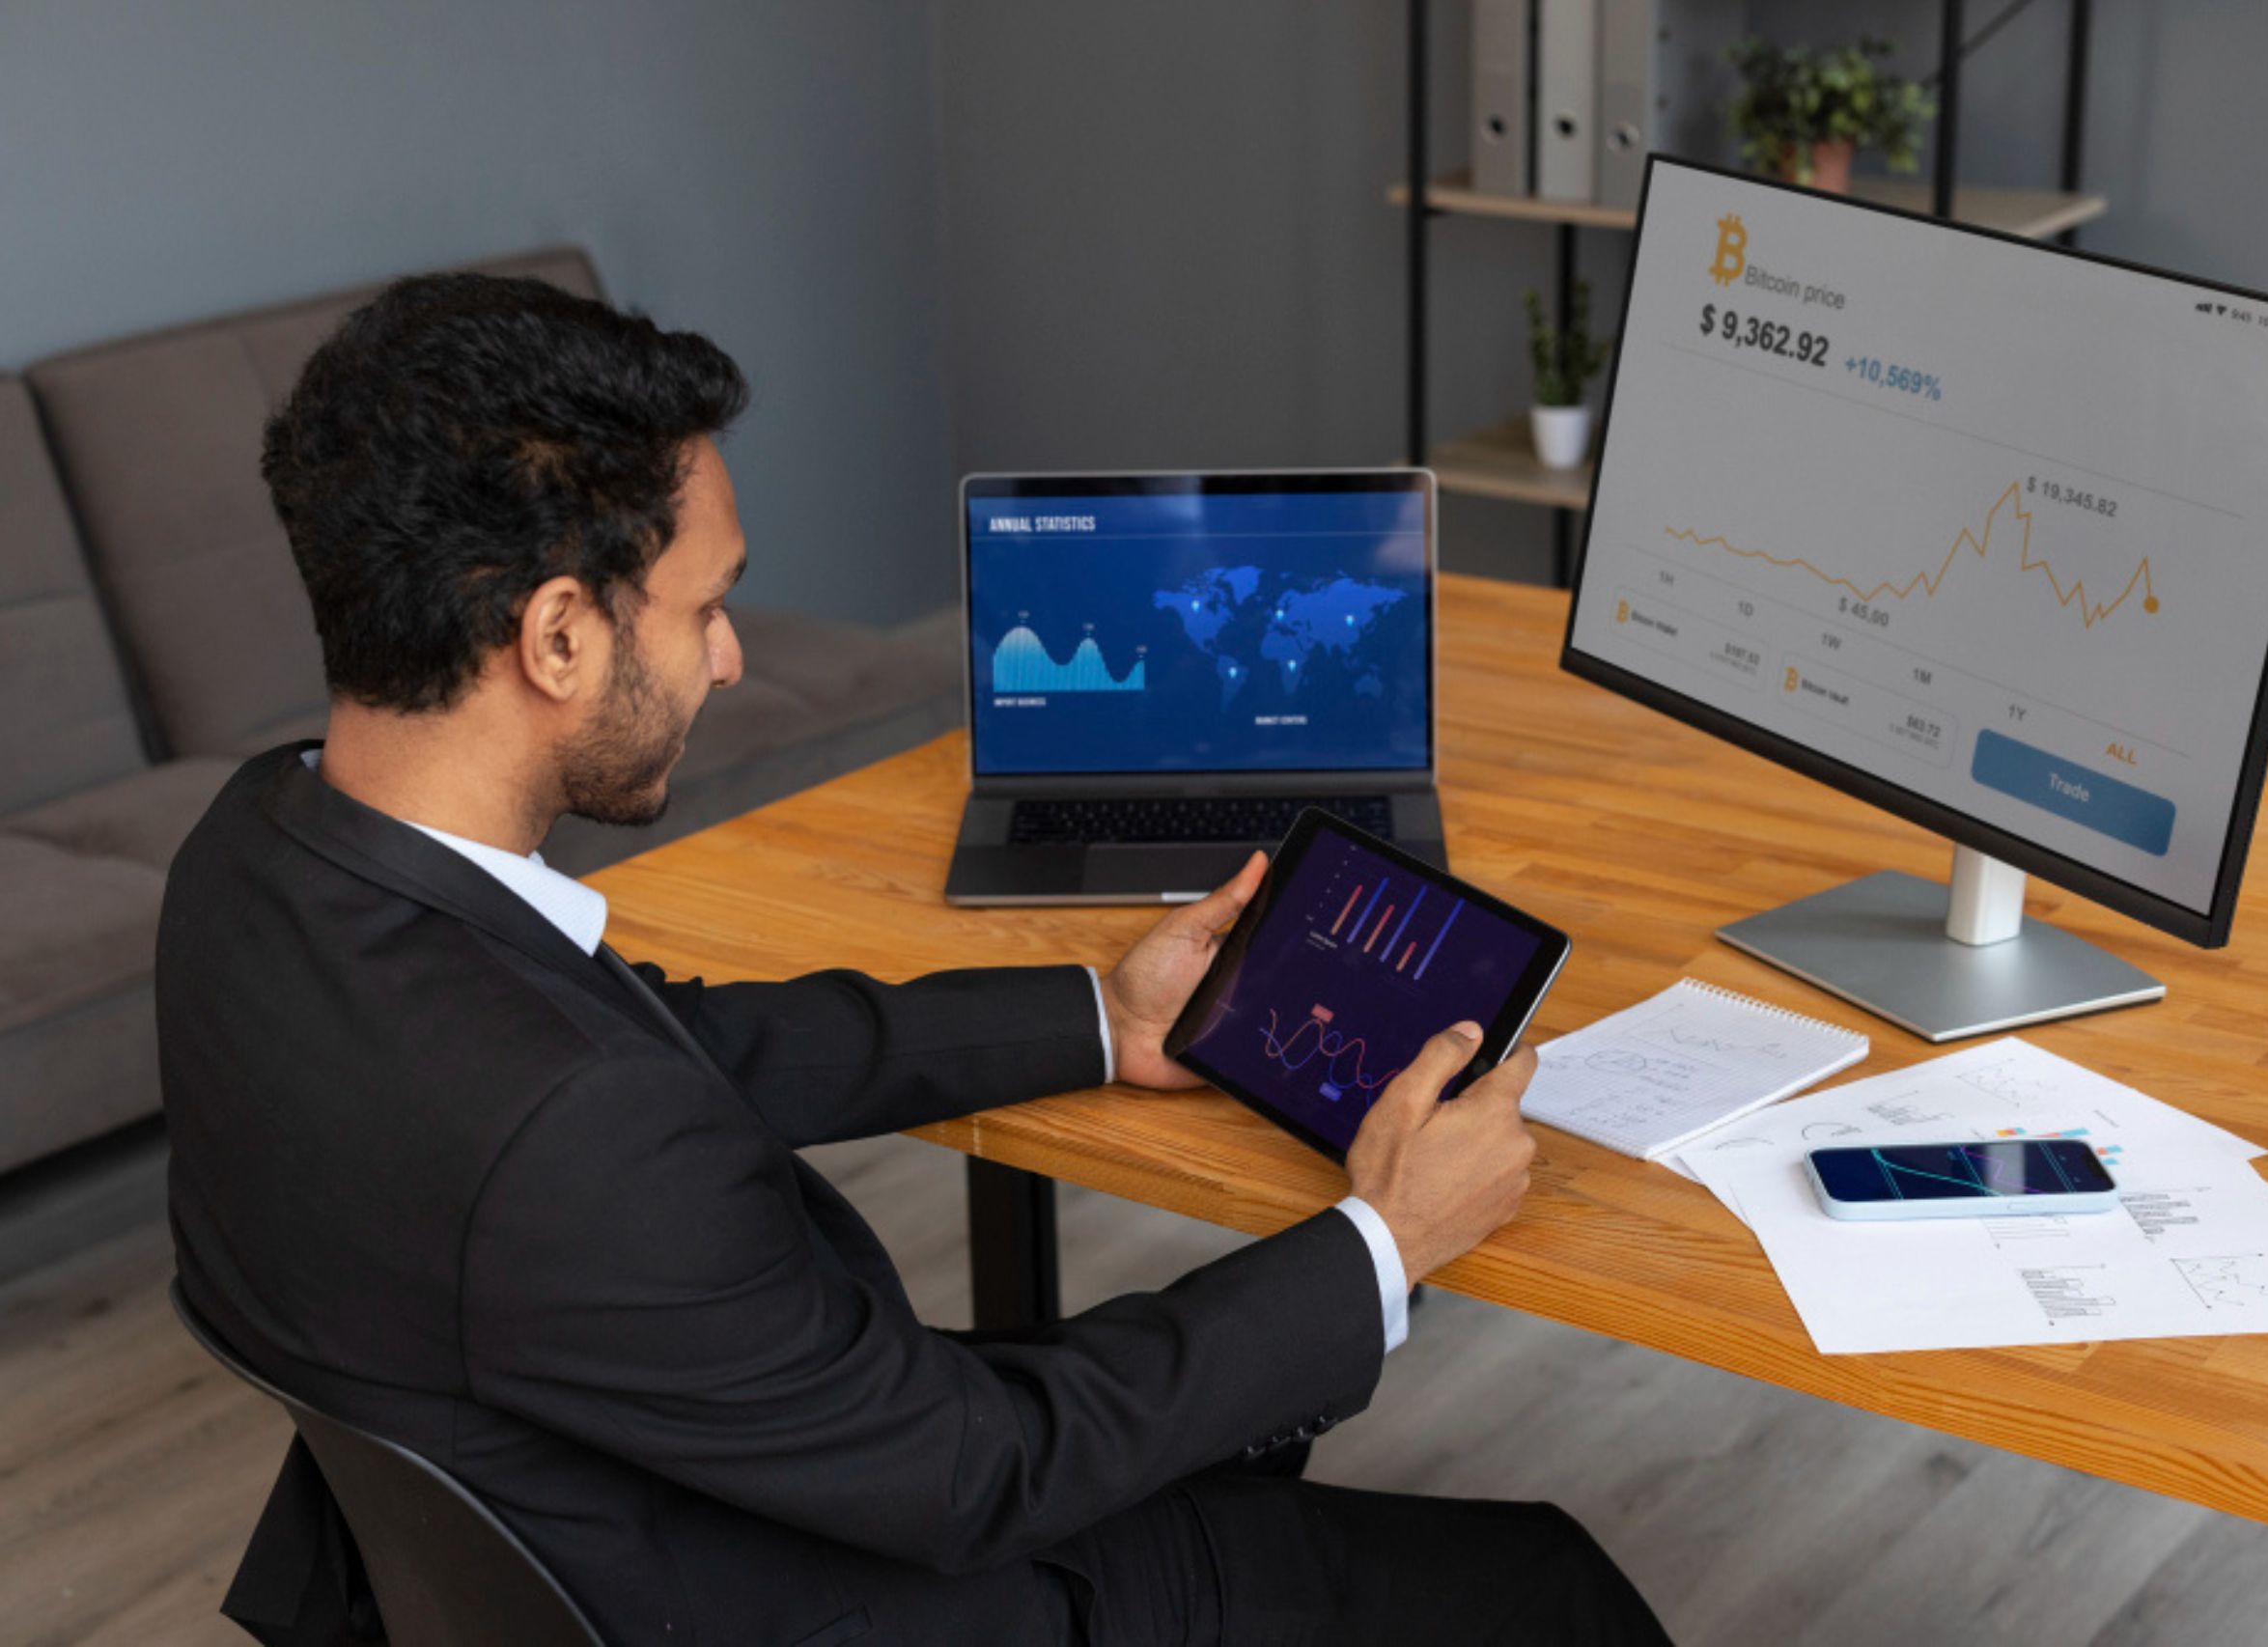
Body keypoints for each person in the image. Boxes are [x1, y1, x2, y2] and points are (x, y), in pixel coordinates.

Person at [159, 270, 1669, 1646]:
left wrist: (1102, 1015)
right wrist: (1387, 1238)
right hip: (846, 1586)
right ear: (557, 637)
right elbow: (979, 1472)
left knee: (1211, 1410)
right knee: (1543, 1582)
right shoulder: (579, 1127)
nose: (730, 657)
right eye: (707, 606)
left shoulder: (251, 867)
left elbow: (672, 1050)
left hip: (627, 1513)